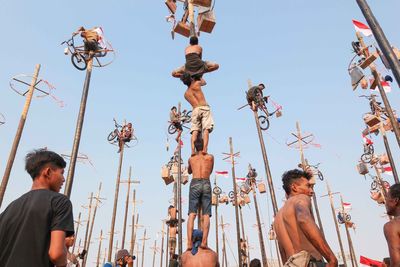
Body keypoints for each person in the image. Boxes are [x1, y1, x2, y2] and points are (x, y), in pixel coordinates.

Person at [0, 149, 74, 266]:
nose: (63, 179)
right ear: (48, 172)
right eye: (61, 173)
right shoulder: (60, 202)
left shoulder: (9, 208)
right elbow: (56, 254)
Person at [273, 169, 337, 267]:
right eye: (308, 186)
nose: (311, 191)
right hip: (310, 263)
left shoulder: (278, 217)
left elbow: (282, 251)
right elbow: (303, 219)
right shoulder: (300, 198)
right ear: (294, 187)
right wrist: (331, 258)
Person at [187, 137, 214, 250]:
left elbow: (189, 171)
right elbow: (211, 170)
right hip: (206, 182)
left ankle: (189, 243)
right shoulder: (210, 157)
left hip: (195, 183)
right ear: (204, 145)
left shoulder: (191, 159)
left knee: (192, 214)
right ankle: (204, 242)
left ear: (194, 146)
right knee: (206, 215)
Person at [181, 73, 214, 155]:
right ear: (191, 79)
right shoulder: (197, 83)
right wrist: (198, 75)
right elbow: (204, 82)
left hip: (195, 110)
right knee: (206, 129)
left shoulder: (185, 94)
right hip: (204, 108)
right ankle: (205, 149)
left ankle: (192, 151)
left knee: (194, 131)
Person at [384, 184, 400, 266]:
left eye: (387, 197)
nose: (385, 202)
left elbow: (396, 263)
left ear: (395, 200)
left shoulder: (392, 226)